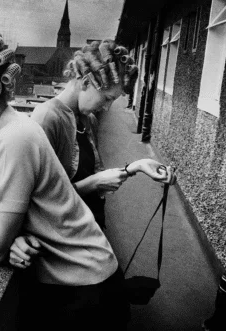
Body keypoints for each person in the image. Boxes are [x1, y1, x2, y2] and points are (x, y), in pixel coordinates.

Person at [0, 24, 155, 330]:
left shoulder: (13, 138)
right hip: (81, 283)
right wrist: (14, 233)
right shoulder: (3, 132)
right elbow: (15, 209)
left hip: (85, 293)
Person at [9, 40, 176, 267]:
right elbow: (43, 201)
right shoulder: (47, 117)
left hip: (87, 232)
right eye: (107, 98)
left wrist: (137, 166)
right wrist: (96, 182)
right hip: (63, 250)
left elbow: (83, 177)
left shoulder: (89, 119)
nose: (107, 108)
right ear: (86, 82)